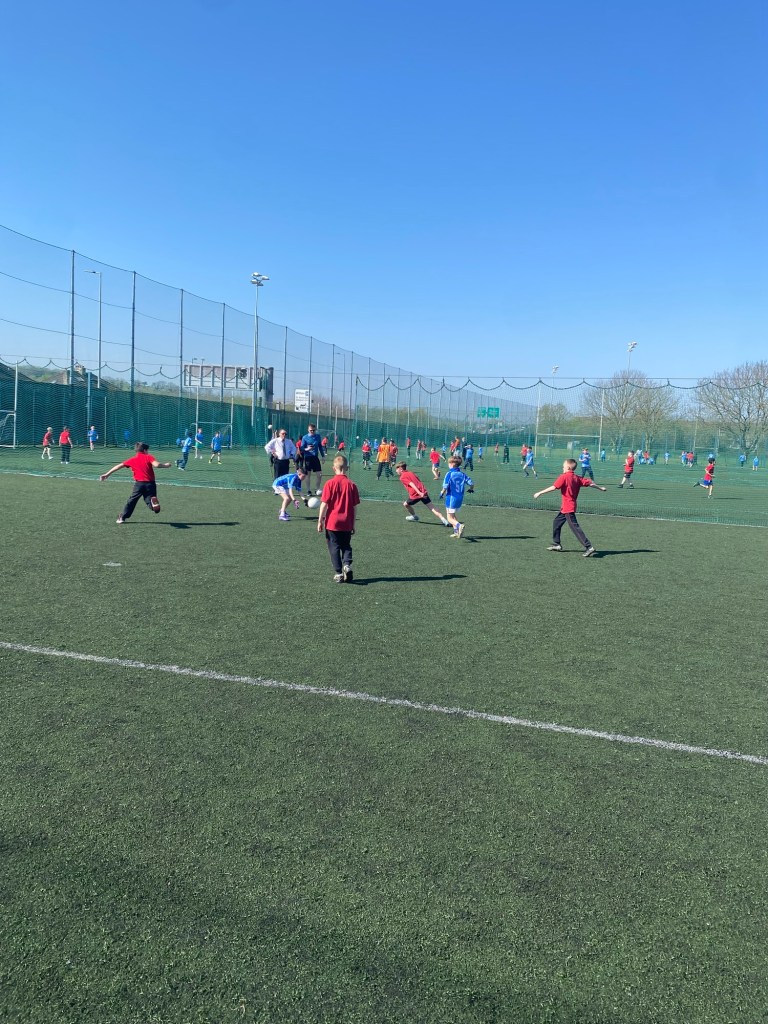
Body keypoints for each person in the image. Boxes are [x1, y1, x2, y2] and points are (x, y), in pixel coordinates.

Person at [534, 458, 607, 556]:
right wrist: (600, 488)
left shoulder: (564, 477)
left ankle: (589, 547)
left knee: (574, 527)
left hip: (568, 507)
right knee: (556, 522)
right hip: (567, 507)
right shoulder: (577, 478)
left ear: (568, 467)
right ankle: (557, 544)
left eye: (563, 466)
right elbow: (590, 483)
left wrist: (540, 492)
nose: (562, 468)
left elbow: (554, 487)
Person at [99, 442, 172, 524]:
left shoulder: (132, 459)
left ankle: (122, 517)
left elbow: (119, 466)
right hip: (150, 484)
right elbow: (157, 465)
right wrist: (166, 465)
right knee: (149, 500)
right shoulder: (148, 457)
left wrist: (107, 474)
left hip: (139, 484)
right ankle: (153, 505)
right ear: (145, 450)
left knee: (132, 501)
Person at [317, 454, 360, 583]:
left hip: (332, 522)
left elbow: (324, 504)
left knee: (334, 546)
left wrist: (320, 520)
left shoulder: (329, 483)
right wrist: (353, 523)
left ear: (333, 468)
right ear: (347, 468)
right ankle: (347, 564)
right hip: (347, 522)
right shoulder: (352, 485)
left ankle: (339, 573)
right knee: (346, 545)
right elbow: (354, 507)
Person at [395, 462, 450, 527]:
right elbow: (418, 481)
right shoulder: (411, 473)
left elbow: (411, 484)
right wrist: (422, 491)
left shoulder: (402, 477)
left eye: (397, 469)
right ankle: (444, 520)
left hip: (415, 495)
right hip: (423, 492)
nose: (396, 471)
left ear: (401, 469)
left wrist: (419, 492)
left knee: (405, 504)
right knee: (432, 507)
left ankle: (414, 516)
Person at [440, 455, 474, 539]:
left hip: (451, 498)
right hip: (460, 498)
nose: (448, 464)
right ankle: (456, 532)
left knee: (449, 518)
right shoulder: (462, 474)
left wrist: (442, 493)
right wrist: (471, 489)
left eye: (449, 463)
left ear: (452, 464)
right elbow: (471, 483)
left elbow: (445, 486)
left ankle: (459, 526)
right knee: (453, 515)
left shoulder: (449, 474)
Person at [301, 423, 325, 494]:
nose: (312, 431)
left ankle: (317, 489)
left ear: (315, 430)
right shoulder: (305, 437)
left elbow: (320, 446)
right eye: (311, 430)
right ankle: (308, 490)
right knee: (308, 475)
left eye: (313, 430)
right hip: (308, 458)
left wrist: (323, 456)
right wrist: (307, 449)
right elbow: (302, 448)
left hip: (315, 458)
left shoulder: (318, 436)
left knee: (319, 475)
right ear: (308, 430)